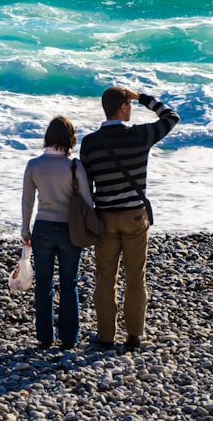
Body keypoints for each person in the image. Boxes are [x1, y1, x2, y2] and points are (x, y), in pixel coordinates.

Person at [80, 86, 179, 352]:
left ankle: (106, 337)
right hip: (135, 216)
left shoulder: (90, 143)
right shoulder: (139, 135)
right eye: (130, 104)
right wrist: (144, 97)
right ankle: (134, 336)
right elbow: (171, 117)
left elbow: (86, 185)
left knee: (105, 278)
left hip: (105, 218)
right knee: (136, 277)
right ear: (124, 107)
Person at [21, 115, 95, 350]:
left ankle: (45, 337)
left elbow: (27, 201)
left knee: (43, 284)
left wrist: (25, 229)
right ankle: (69, 338)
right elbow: (87, 200)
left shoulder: (34, 165)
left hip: (42, 226)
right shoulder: (75, 166)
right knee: (69, 283)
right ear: (70, 138)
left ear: (47, 137)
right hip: (69, 229)